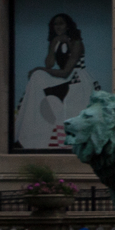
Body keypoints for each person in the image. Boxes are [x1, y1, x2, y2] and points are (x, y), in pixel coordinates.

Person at [13, 10, 96, 151]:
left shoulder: (76, 43)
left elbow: (65, 73)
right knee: (37, 77)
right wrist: (53, 45)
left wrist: (39, 69)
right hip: (65, 79)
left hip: (77, 80)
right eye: (55, 24)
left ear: (68, 26)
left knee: (38, 74)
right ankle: (28, 131)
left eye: (61, 24)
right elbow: (50, 65)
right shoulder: (56, 41)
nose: (58, 27)